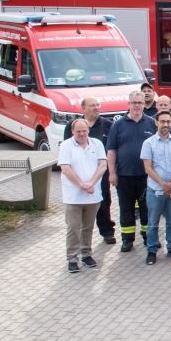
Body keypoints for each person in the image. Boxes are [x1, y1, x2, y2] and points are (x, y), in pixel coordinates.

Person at [107, 90, 156, 251]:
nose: (137, 106)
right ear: (128, 104)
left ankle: (148, 237)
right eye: (134, 103)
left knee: (147, 208)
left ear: (144, 104)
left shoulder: (151, 123)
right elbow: (111, 151)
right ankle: (127, 239)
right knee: (126, 208)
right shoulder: (118, 125)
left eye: (140, 103)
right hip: (124, 175)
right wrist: (112, 173)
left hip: (146, 176)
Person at [62, 96, 115, 244]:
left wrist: (110, 171)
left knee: (104, 202)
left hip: (99, 173)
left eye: (98, 105)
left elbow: (110, 149)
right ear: (83, 108)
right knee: (78, 207)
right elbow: (68, 148)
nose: (96, 108)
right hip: (77, 175)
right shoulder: (71, 126)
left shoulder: (107, 125)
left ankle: (107, 231)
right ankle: (78, 238)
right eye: (92, 105)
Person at [58, 119, 108, 273]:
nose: (81, 134)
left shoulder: (97, 144)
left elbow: (103, 165)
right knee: (73, 228)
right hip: (73, 196)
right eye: (78, 131)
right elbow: (66, 168)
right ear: (72, 131)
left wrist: (91, 183)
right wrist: (82, 184)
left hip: (93, 195)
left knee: (88, 227)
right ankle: (72, 258)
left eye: (84, 131)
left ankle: (86, 253)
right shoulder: (66, 145)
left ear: (88, 130)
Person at [141, 111, 171, 265]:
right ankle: (152, 250)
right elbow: (148, 168)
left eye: (168, 121)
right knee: (153, 222)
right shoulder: (148, 143)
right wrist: (163, 184)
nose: (165, 124)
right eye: (162, 121)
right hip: (155, 189)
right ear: (156, 123)